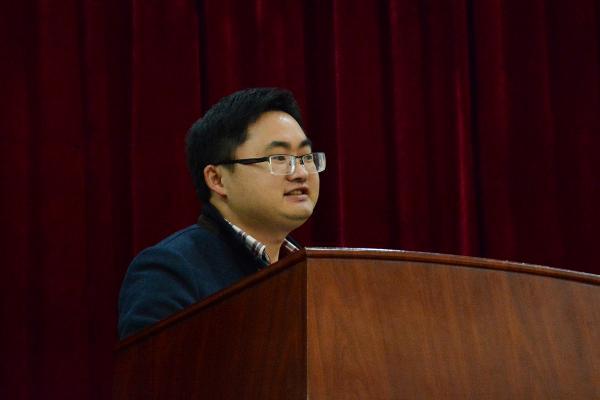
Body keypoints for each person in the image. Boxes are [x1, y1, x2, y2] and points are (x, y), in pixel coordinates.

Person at [118, 88, 325, 339]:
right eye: (279, 158)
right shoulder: (171, 270)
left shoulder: (317, 270)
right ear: (217, 179)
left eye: (305, 157)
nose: (301, 173)